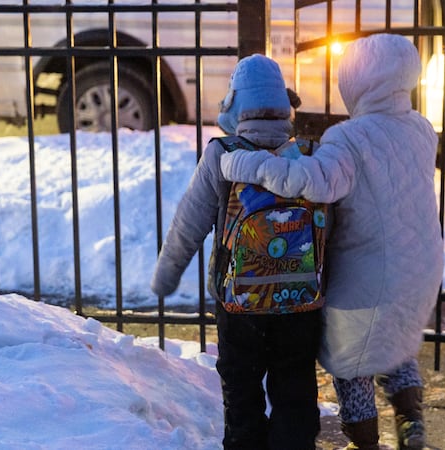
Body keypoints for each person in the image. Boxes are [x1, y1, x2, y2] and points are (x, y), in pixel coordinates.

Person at [219, 33, 444, 450]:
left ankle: (365, 441)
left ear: (356, 81)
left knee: (349, 355)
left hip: (369, 273)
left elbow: (311, 181)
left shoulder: (348, 139)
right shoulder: (422, 129)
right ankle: (411, 418)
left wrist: (249, 163)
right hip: (422, 269)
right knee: (393, 340)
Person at [150, 54, 322, 450]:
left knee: (241, 383)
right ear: (284, 103)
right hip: (301, 300)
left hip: (238, 302)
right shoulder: (308, 156)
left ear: (235, 103)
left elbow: (188, 223)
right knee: (295, 382)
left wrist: (166, 274)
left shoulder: (222, 154)